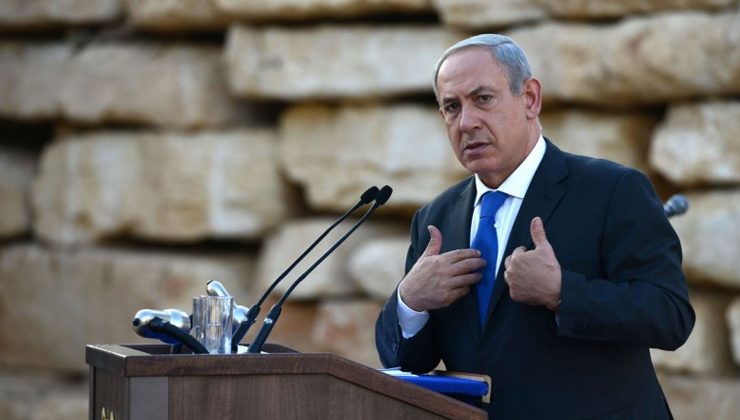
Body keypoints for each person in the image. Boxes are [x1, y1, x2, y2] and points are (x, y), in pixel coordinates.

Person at [375, 34, 695, 420]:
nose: (467, 122)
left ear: (529, 98)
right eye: (452, 107)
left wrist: (563, 292)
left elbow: (670, 316)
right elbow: (405, 364)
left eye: (483, 99)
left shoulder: (612, 190)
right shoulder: (435, 218)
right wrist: (410, 302)